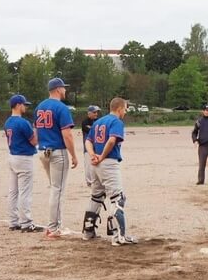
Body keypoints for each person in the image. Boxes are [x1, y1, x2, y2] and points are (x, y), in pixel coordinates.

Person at [82, 97, 137, 245]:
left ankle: (88, 232)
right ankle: (118, 236)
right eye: (125, 109)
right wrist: (101, 156)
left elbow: (88, 141)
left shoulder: (98, 122)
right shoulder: (116, 122)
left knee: (96, 196)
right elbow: (112, 140)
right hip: (108, 162)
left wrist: (93, 155)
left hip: (95, 164)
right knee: (117, 198)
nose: (125, 112)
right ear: (119, 108)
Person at [35, 78, 79, 239]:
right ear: (58, 89)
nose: (65, 90)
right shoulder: (61, 107)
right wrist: (74, 155)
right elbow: (67, 135)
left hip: (43, 151)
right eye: (63, 88)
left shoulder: (40, 106)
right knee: (58, 190)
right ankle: (54, 228)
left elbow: (36, 132)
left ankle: (54, 226)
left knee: (55, 188)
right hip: (57, 152)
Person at [5, 94, 43, 233]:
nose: (25, 107)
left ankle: (13, 221)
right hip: (24, 158)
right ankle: (26, 223)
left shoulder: (8, 121)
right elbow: (34, 141)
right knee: (25, 192)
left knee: (13, 192)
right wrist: (36, 129)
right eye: (24, 104)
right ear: (18, 105)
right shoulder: (22, 122)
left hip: (12, 156)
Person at [81, 105, 101, 188]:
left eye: (97, 112)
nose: (96, 114)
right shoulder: (85, 122)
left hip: (97, 147)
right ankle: (89, 182)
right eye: (94, 112)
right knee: (88, 165)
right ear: (89, 113)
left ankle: (97, 180)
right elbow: (92, 132)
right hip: (88, 147)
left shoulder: (98, 121)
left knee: (98, 164)